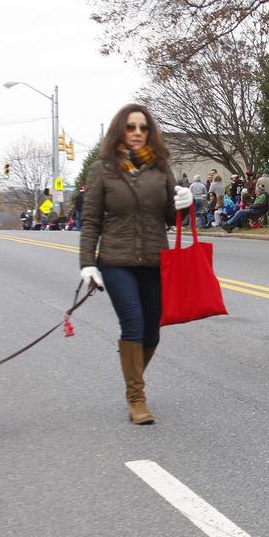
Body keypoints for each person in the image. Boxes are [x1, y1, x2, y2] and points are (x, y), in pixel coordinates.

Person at [78, 103, 194, 425]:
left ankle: (132, 370)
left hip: (155, 259)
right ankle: (136, 398)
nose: (137, 133)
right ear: (120, 130)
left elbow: (171, 217)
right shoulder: (102, 169)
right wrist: (87, 263)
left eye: (143, 128)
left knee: (152, 331)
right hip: (116, 260)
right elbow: (90, 221)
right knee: (133, 323)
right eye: (131, 127)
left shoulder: (160, 168)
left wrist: (184, 202)